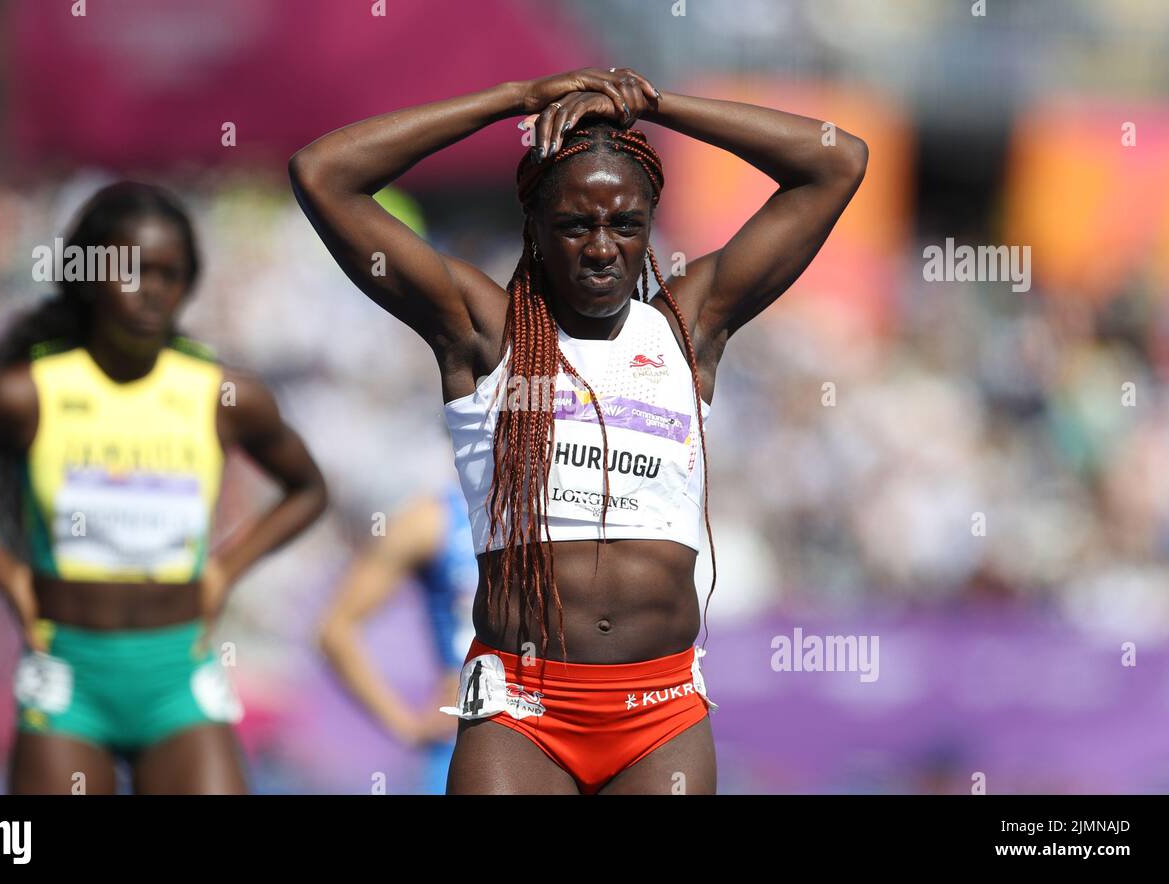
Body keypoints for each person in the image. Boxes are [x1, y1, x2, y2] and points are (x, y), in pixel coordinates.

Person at [289, 67, 866, 794]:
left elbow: (836, 160)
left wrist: (657, 105)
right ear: (532, 223)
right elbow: (323, 173)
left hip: (661, 718)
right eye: (574, 223)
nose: (601, 247)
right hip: (520, 715)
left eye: (626, 223)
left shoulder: (690, 329)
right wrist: (513, 100)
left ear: (651, 225)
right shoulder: (483, 331)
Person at [0, 181, 329, 794]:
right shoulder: (29, 392)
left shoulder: (223, 395)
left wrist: (225, 572)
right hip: (71, 681)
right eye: (134, 271)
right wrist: (9, 575)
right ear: (89, 276)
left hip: (179, 679)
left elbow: (307, 489)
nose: (154, 290)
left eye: (172, 274)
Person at [316, 485, 476, 793]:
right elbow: (335, 630)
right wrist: (407, 726)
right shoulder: (434, 520)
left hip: (560, 744)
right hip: (463, 747)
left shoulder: (574, 521)